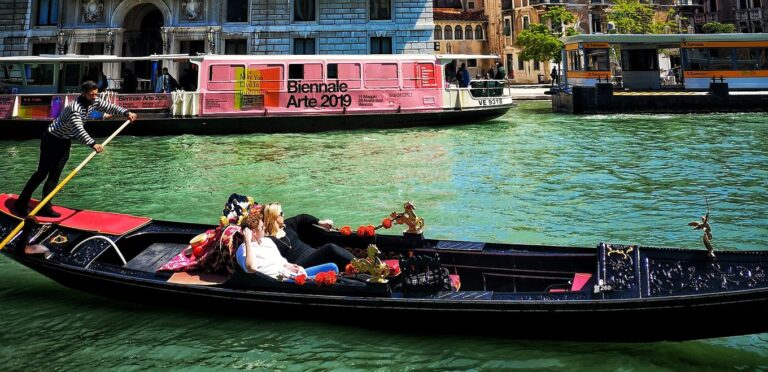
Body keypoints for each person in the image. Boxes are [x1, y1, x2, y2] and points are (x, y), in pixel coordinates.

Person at [13, 81, 138, 218]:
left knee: (55, 175)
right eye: (91, 94)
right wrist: (93, 144)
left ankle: (45, 206)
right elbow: (78, 130)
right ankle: (21, 202)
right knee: (42, 173)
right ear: (83, 94)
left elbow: (108, 107)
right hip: (51, 139)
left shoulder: (94, 100)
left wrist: (126, 112)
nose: (95, 97)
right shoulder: (75, 108)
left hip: (64, 141)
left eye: (96, 94)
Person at [235, 207, 338, 279]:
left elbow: (282, 262)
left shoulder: (267, 241)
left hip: (290, 274)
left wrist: (295, 267)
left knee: (332, 267)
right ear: (253, 232)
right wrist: (248, 240)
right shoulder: (243, 250)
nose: (264, 228)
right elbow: (251, 268)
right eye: (262, 227)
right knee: (330, 274)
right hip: (280, 281)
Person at [263, 202, 354, 269]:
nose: (284, 215)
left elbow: (303, 217)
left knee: (333, 256)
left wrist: (320, 222)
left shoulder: (287, 224)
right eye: (281, 214)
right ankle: (361, 265)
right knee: (330, 248)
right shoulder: (268, 240)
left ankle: (357, 268)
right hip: (300, 263)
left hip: (312, 252)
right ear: (274, 216)